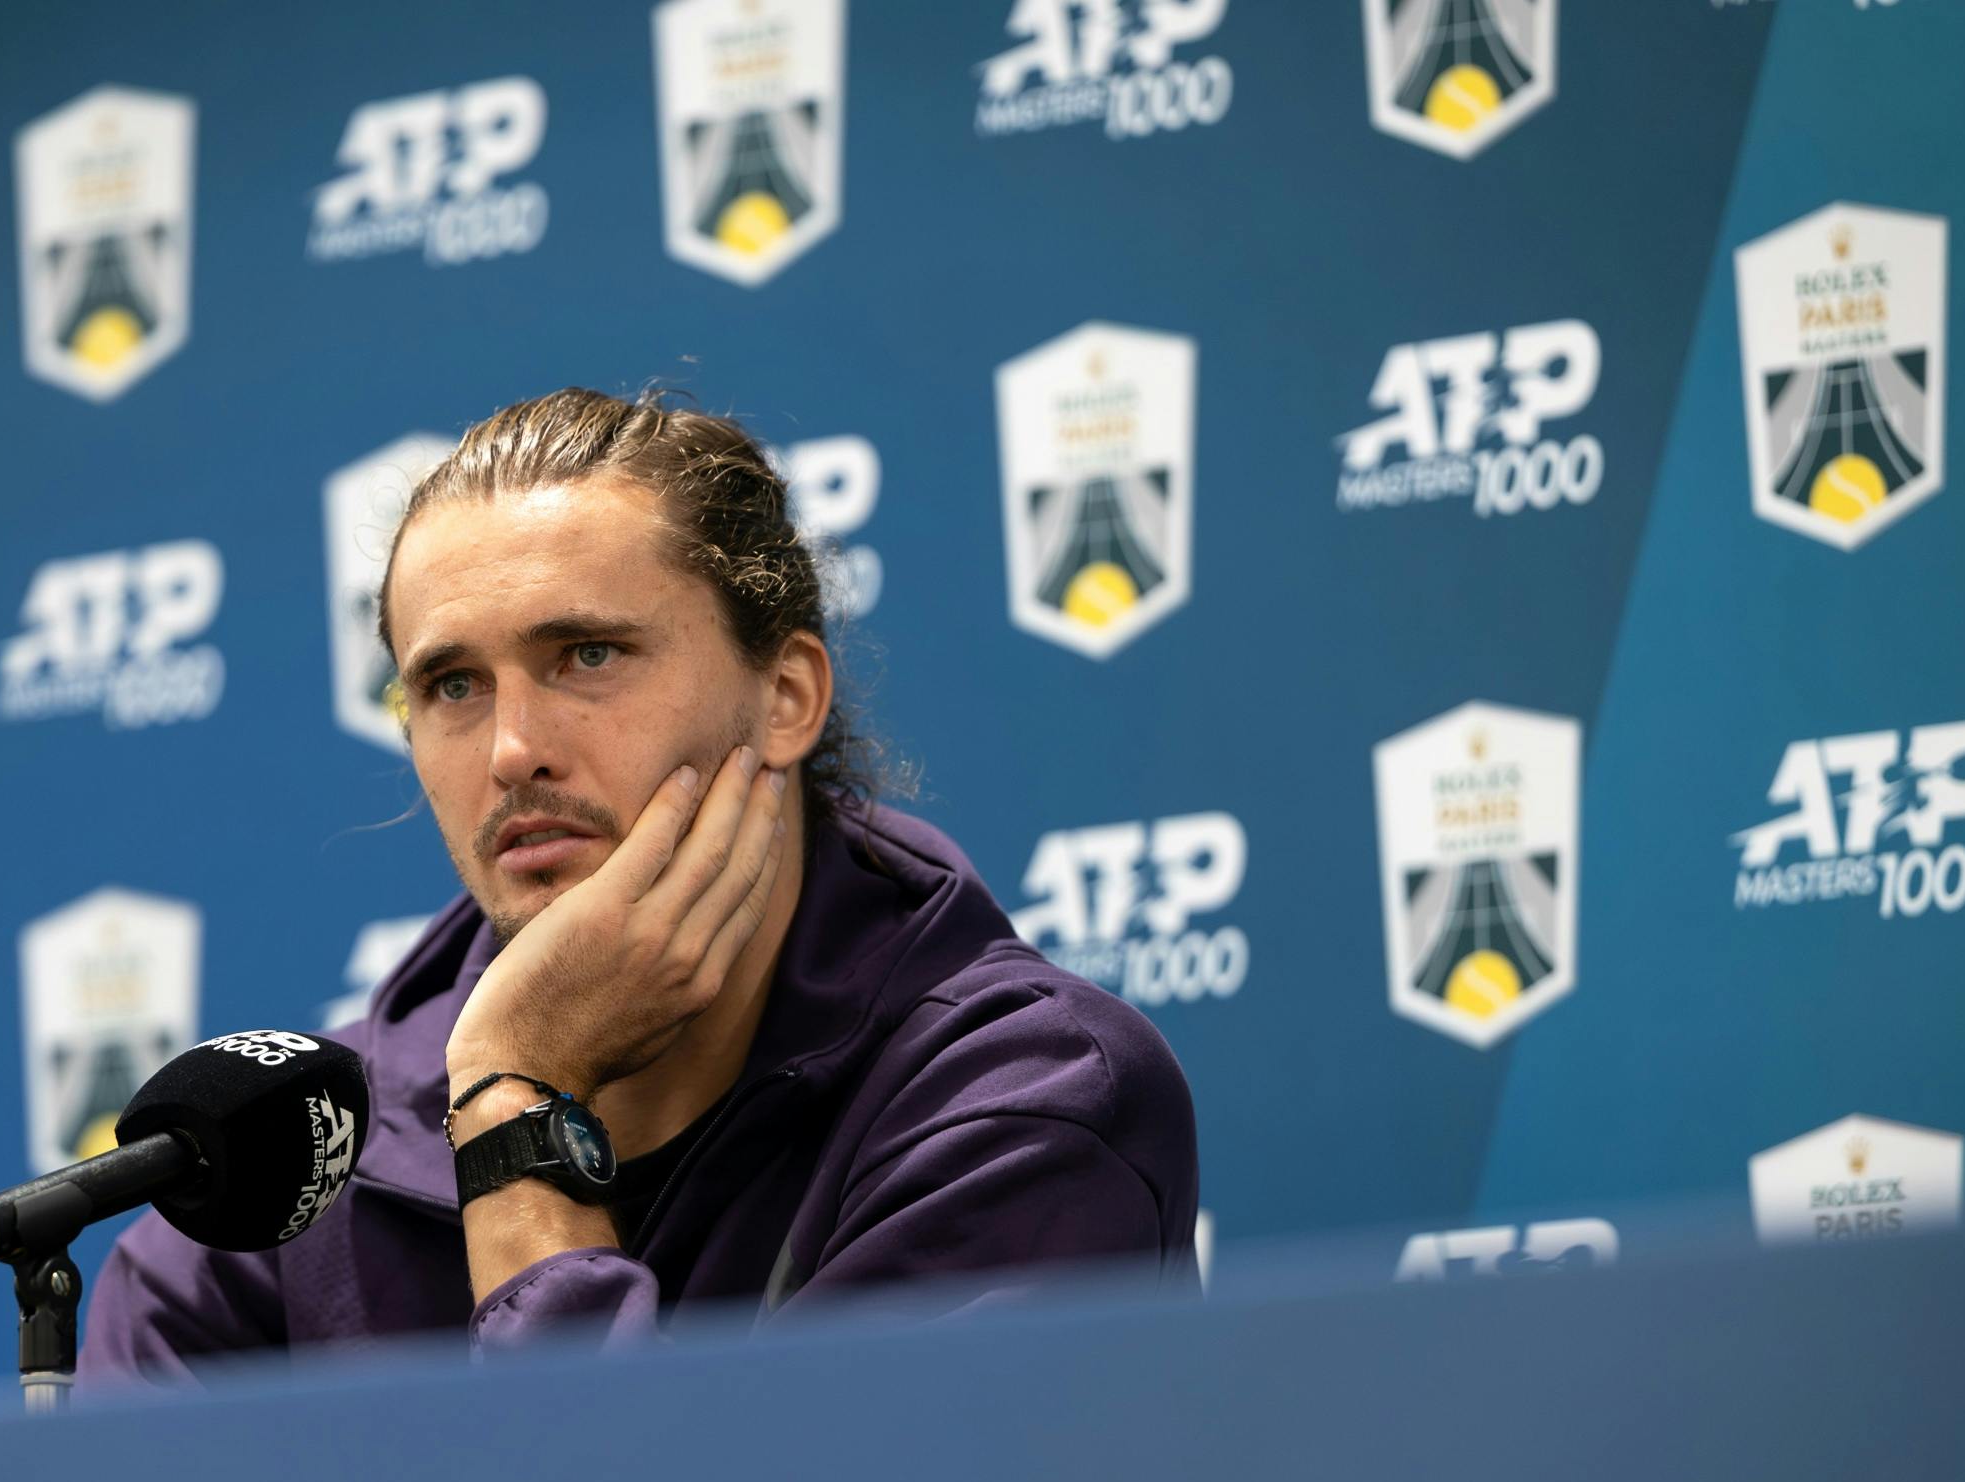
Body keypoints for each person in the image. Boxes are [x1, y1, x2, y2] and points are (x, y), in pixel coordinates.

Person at [80, 388, 1196, 1379]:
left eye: (588, 655)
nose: (513, 749)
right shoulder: (291, 1165)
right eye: (454, 684)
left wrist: (516, 1112)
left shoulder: (1025, 1102)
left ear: (786, 698)